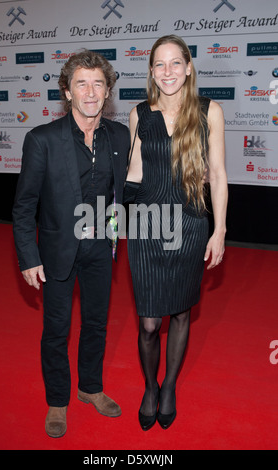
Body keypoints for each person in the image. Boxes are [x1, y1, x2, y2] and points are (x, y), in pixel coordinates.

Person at [12, 50, 130, 438]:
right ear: (67, 92)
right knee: (56, 330)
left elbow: (125, 190)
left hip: (101, 247)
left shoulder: (118, 135)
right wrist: (28, 256)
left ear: (108, 91)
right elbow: (24, 205)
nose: (91, 92)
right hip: (57, 251)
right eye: (82, 83)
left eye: (98, 84)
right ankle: (58, 400)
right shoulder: (42, 139)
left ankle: (90, 388)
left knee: (96, 324)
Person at [124, 35, 228, 431]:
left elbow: (217, 175)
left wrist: (219, 230)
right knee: (149, 323)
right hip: (147, 227)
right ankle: (149, 386)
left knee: (181, 312)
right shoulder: (139, 114)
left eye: (174, 63)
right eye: (158, 64)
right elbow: (134, 174)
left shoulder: (209, 111)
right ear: (151, 71)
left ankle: (168, 387)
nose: (166, 72)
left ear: (187, 67)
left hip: (189, 223)